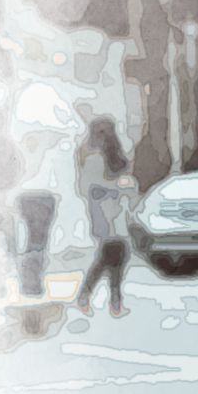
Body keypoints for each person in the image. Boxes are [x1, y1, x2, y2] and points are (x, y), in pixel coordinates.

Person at [75, 117, 133, 317]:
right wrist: (119, 187)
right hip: (104, 212)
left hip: (111, 211)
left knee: (114, 255)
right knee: (113, 254)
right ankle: (103, 299)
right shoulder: (93, 155)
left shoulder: (100, 153)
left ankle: (110, 301)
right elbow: (95, 187)